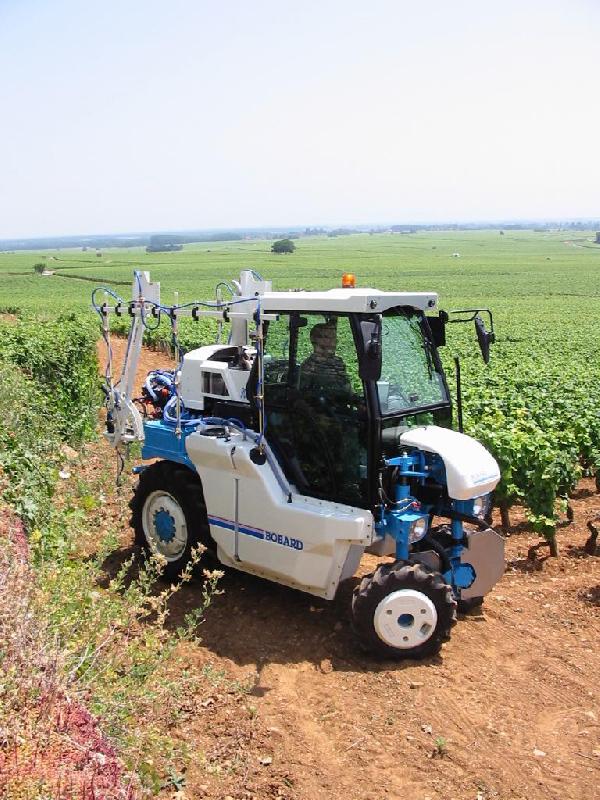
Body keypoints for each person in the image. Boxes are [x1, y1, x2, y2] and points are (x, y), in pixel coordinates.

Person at [298, 322, 351, 396]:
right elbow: (303, 396)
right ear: (315, 340)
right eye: (327, 337)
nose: (332, 341)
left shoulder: (338, 362)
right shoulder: (309, 366)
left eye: (333, 337)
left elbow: (347, 389)